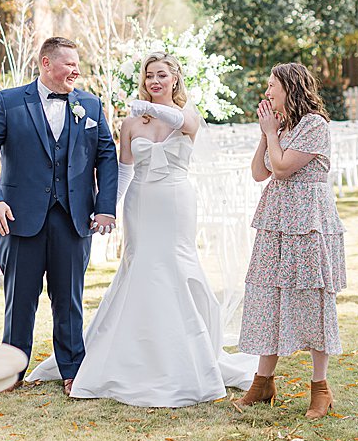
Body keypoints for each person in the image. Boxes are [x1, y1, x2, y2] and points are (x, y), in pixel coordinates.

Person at [27, 52, 257, 406]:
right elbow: (124, 171)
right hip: (141, 202)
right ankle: (128, 354)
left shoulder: (188, 116)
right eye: (149, 75)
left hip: (176, 201)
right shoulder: (132, 124)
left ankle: (186, 354)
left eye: (162, 75)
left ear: (175, 79)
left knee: (175, 266)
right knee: (140, 267)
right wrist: (108, 210)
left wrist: (142, 105)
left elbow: (180, 121)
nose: (154, 81)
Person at [0, 37, 118, 393]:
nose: (76, 71)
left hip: (73, 217)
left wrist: (105, 207)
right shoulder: (9, 101)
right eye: (69, 64)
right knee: (19, 297)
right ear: (46, 63)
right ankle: (11, 372)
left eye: (77, 65)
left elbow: (106, 156)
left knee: (69, 297)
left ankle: (72, 371)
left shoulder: (90, 105)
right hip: (19, 217)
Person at [236, 63, 346, 419]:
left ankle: (320, 389)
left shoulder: (315, 125)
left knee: (312, 297)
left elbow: (282, 167)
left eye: (272, 86)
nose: (267, 93)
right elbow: (260, 173)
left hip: (307, 219)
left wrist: (272, 134)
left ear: (289, 87)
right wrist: (266, 132)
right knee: (269, 295)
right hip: (277, 218)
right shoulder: (279, 125)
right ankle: (262, 382)